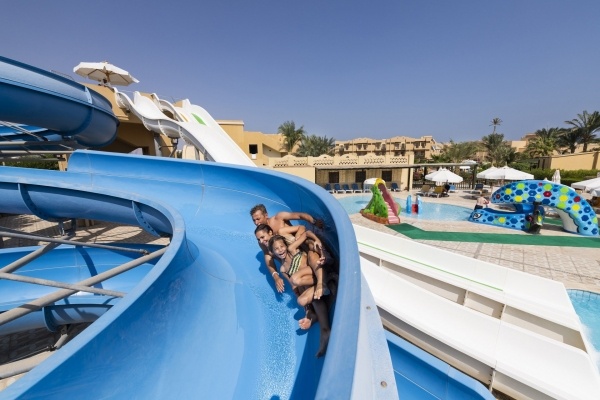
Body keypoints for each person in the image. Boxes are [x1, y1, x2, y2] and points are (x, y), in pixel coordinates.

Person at [250, 204, 329, 297]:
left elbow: (300, 216)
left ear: (266, 215)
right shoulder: (262, 239)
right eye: (254, 220)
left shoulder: (279, 218)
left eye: (258, 219)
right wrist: (276, 276)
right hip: (293, 260)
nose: (256, 223)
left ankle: (325, 256)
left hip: (300, 244)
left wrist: (313, 222)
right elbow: (268, 258)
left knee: (309, 244)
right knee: (300, 293)